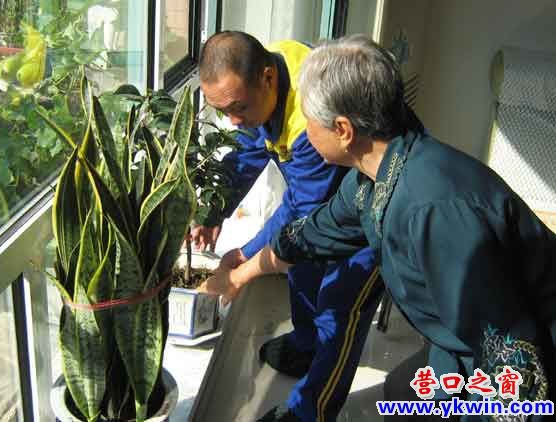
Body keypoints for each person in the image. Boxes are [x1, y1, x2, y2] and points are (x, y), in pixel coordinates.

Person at [199, 34, 556, 421]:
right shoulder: (370, 178)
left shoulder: (435, 214)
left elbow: (514, 364)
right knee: (401, 392)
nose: (299, 127)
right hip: (458, 338)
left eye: (308, 117)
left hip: (530, 359)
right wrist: (240, 272)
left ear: (343, 130)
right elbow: (312, 233)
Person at [196, 31, 383, 422]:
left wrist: (244, 256)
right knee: (301, 267)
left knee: (339, 309)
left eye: (238, 108)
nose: (233, 120)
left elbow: (300, 213)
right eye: (222, 111)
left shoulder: (310, 123)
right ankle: (304, 343)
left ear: (267, 79)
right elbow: (248, 150)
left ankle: (308, 412)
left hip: (373, 207)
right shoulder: (268, 70)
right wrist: (213, 212)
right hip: (329, 201)